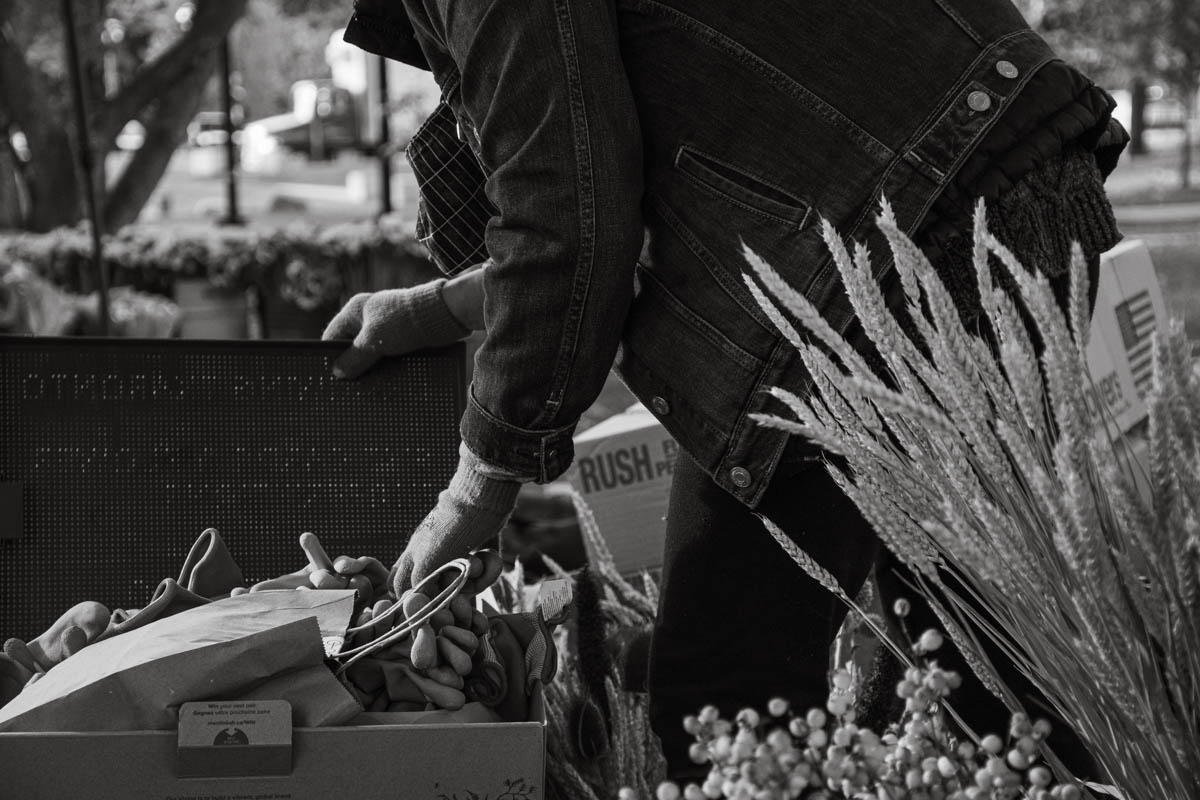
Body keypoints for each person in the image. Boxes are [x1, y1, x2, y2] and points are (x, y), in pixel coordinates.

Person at [326, 0, 1127, 781]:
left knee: (727, 701)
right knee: (988, 687)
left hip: (899, 247)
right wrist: (437, 309)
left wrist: (478, 488)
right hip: (994, 185)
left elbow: (571, 217)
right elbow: (633, 173)